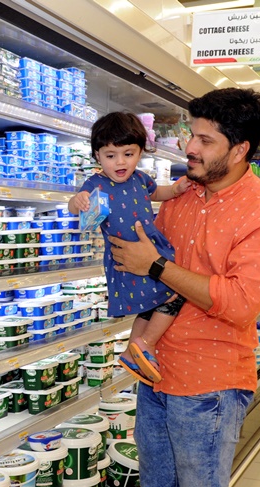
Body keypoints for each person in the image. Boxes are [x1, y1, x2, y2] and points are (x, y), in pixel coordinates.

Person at [107, 88, 260, 487]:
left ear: (239, 149)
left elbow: (237, 303)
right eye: (191, 133)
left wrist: (156, 268)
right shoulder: (183, 197)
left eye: (204, 139)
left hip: (209, 387)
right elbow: (144, 263)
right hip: (157, 373)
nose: (190, 146)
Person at [67, 112, 190, 385]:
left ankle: (134, 349)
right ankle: (145, 344)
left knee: (153, 302)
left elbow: (158, 193)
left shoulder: (141, 179)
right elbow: (73, 206)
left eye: (128, 153)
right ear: (97, 156)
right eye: (111, 155)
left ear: (140, 152)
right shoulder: (95, 184)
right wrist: (79, 201)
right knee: (174, 293)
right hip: (125, 257)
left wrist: (177, 189)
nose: (120, 162)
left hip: (151, 250)